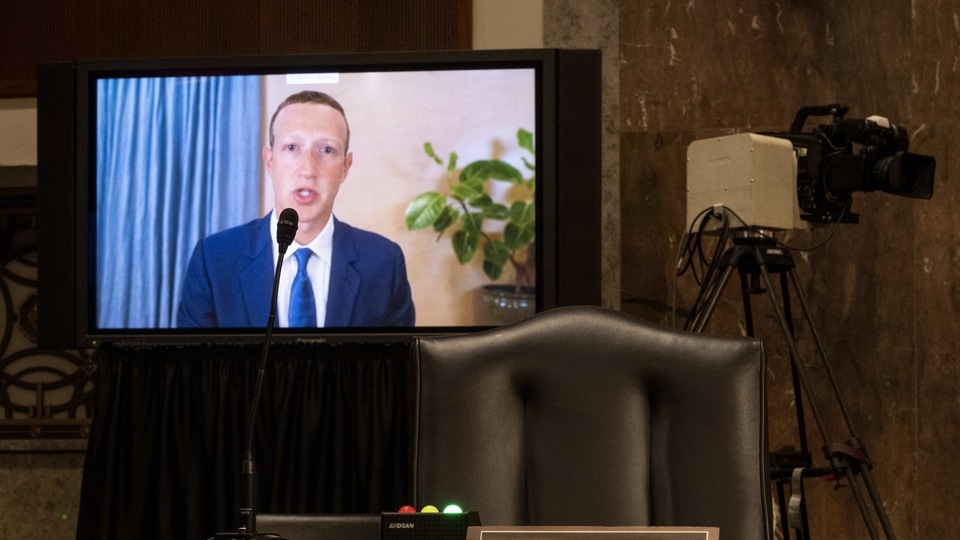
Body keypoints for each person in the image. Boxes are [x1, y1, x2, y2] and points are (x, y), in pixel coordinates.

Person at [177, 90, 415, 328]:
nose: (308, 169)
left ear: (345, 166)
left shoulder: (384, 263)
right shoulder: (214, 259)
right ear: (269, 161)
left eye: (327, 150)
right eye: (292, 147)